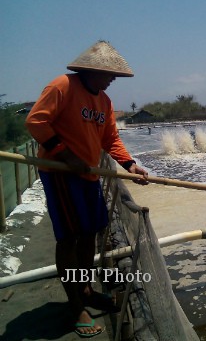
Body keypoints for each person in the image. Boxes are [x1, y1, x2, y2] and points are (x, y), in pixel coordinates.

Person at [25, 40, 149, 338]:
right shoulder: (63, 87)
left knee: (90, 233)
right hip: (61, 175)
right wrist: (66, 155)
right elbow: (36, 122)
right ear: (92, 70)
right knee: (69, 237)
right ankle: (75, 305)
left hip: (88, 177)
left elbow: (110, 139)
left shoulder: (103, 102)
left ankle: (85, 288)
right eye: (109, 74)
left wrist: (129, 165)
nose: (113, 79)